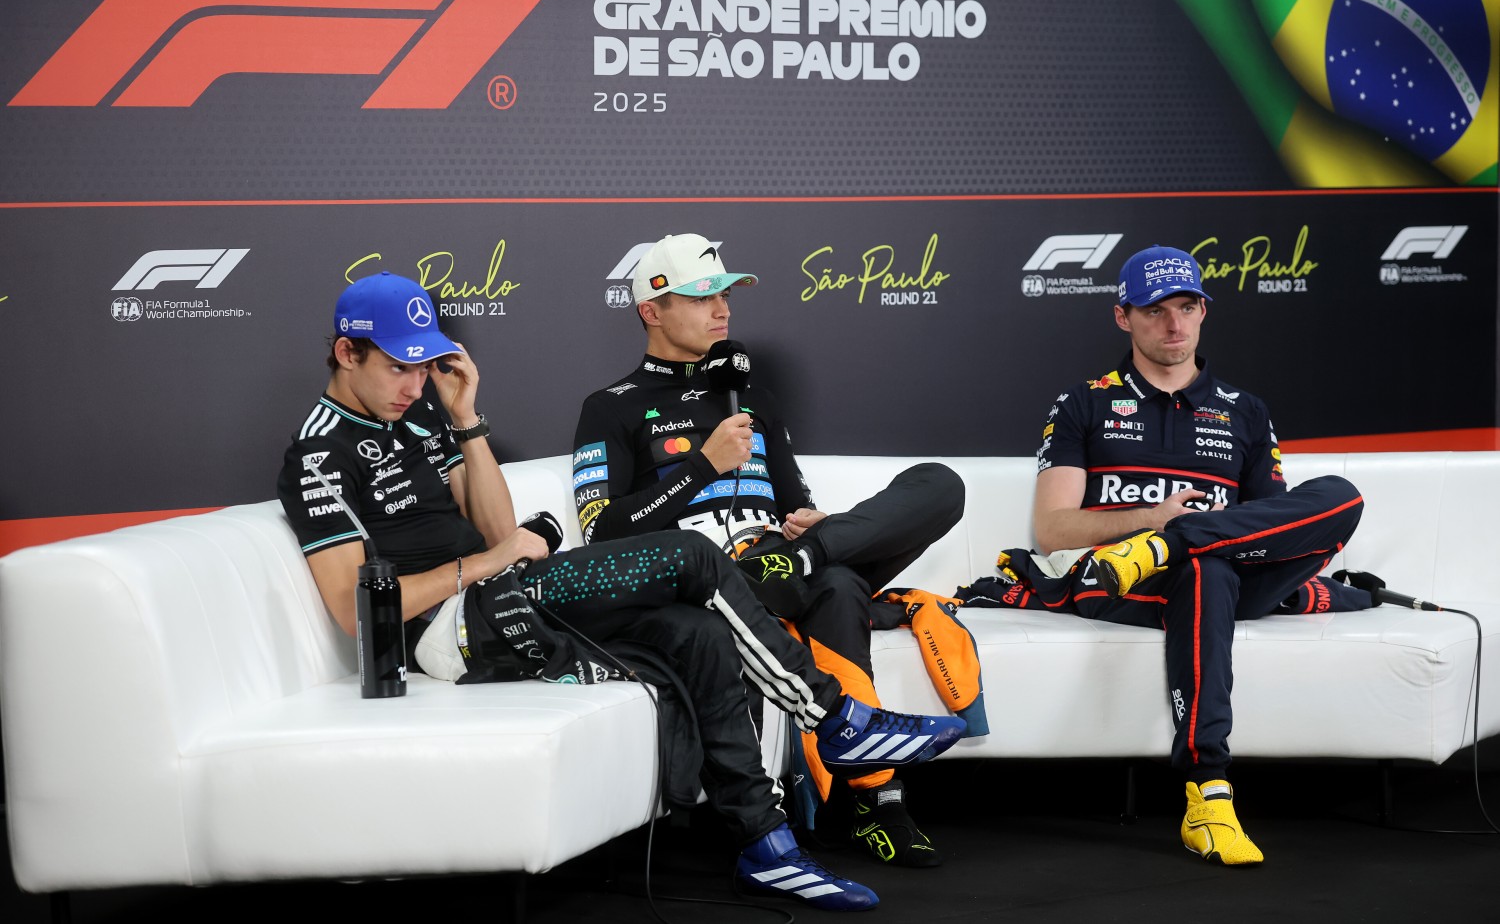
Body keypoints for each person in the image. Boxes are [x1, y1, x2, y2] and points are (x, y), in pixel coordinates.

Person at [276, 271, 966, 912]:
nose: (415, 382)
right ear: (346, 352)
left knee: (697, 633)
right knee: (693, 555)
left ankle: (765, 845)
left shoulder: (425, 416)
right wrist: (491, 563)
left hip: (508, 595)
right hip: (448, 632)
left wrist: (464, 417)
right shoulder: (316, 455)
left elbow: (493, 527)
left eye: (425, 364)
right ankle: (835, 719)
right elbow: (356, 612)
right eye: (399, 366)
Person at [571, 233, 975, 869]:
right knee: (839, 589)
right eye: (701, 295)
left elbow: (793, 501)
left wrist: (805, 527)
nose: (722, 307)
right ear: (651, 309)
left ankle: (811, 560)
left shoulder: (753, 397)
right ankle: (880, 801)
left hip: (784, 559)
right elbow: (603, 535)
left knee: (939, 485)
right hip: (713, 580)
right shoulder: (610, 408)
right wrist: (703, 465)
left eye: (725, 293)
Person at [974, 244, 1374, 866]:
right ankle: (1208, 792)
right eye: (1155, 310)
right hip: (1120, 584)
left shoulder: (1245, 410)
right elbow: (1052, 533)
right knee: (1206, 569)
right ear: (1122, 317)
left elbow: (1282, 526)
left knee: (1339, 499)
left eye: (1188, 307)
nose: (1174, 324)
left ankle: (1173, 546)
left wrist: (1174, 536)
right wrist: (1149, 520)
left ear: (1204, 312)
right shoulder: (1085, 402)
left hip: (1229, 576)